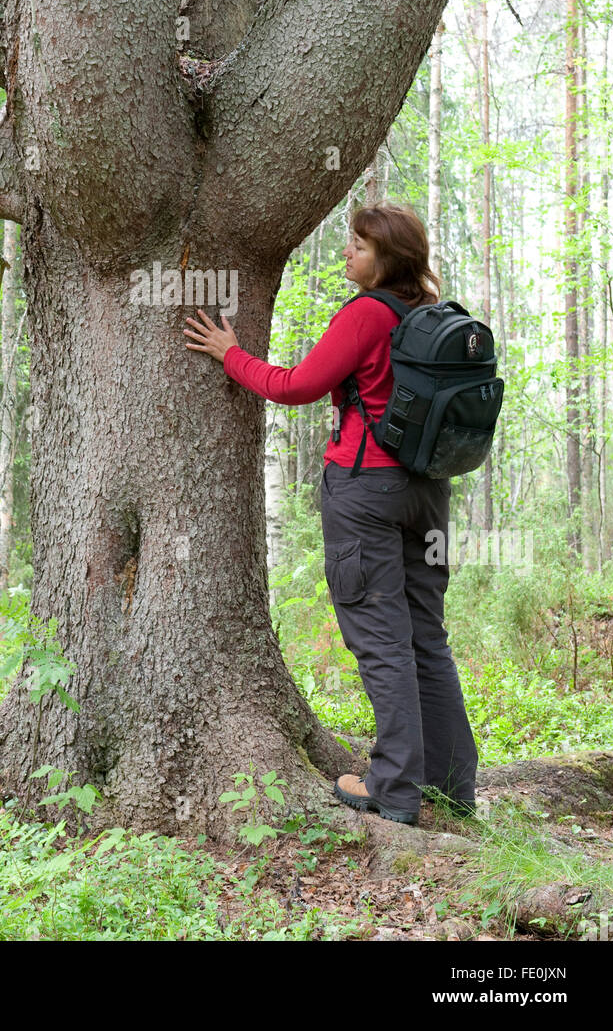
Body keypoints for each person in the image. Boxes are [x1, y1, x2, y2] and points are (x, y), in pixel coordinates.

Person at [184, 201, 478, 826]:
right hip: (428, 493)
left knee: (381, 641)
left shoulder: (368, 315)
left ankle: (394, 790)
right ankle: (452, 788)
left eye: (360, 247)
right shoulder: (431, 316)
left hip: (365, 493)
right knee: (426, 637)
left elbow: (294, 386)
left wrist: (229, 353)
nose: (348, 254)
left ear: (387, 260)